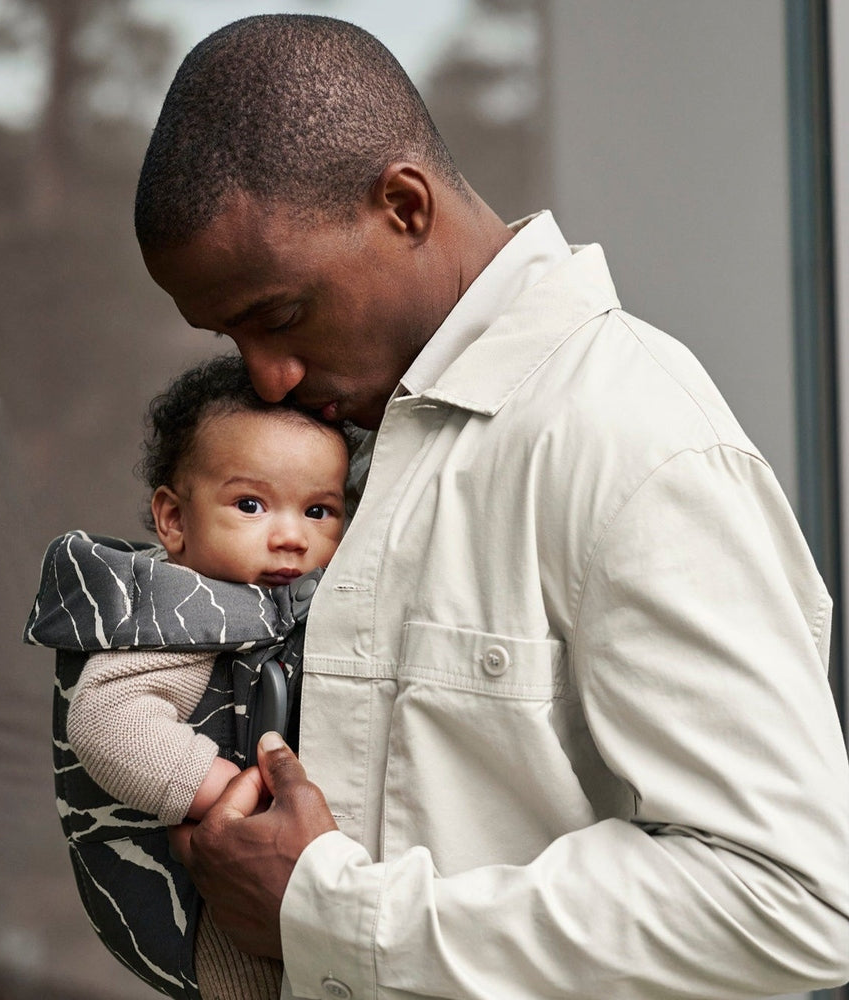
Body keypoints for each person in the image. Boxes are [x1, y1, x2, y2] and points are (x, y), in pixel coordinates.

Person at [133, 14, 849, 1000]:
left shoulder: (624, 435)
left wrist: (334, 911)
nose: (265, 373)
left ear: (402, 204)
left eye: (282, 315)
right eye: (229, 333)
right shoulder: (349, 442)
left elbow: (796, 896)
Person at [65, 353, 348, 1000]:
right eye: (251, 504)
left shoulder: (314, 602)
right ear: (173, 520)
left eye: (319, 511)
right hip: (237, 927)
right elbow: (107, 720)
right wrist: (236, 794)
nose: (290, 537)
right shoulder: (189, 612)